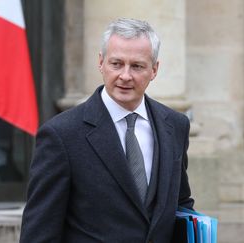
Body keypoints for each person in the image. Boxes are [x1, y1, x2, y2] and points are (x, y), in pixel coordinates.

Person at [20, 18, 195, 242]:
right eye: (116, 63)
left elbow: (180, 205)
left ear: (154, 70)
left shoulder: (175, 125)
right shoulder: (61, 135)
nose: (125, 75)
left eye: (137, 66)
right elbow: (39, 231)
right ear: (101, 63)